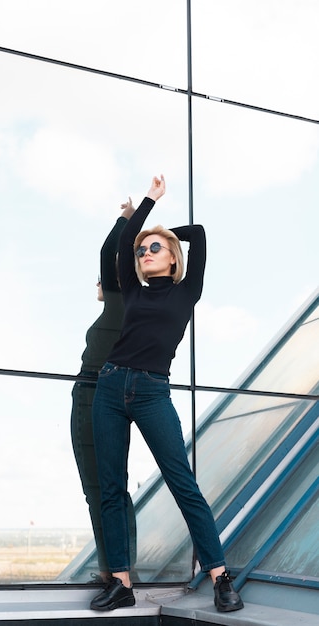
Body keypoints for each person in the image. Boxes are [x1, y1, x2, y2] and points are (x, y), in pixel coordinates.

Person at [90, 175, 244, 613]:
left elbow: (199, 236)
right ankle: (120, 582)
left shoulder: (187, 291)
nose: (144, 253)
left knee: (182, 484)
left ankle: (220, 577)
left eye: (154, 249)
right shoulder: (135, 288)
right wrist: (146, 206)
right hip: (110, 386)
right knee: (112, 487)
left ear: (173, 258)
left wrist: (164, 230)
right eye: (142, 251)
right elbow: (124, 245)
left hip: (153, 392)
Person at [71, 198, 137, 583]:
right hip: (107, 395)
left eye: (106, 277)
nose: (100, 282)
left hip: (93, 395)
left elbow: (106, 251)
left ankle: (114, 572)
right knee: (113, 489)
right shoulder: (127, 308)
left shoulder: (120, 304)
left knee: (99, 489)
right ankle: (120, 568)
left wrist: (126, 219)